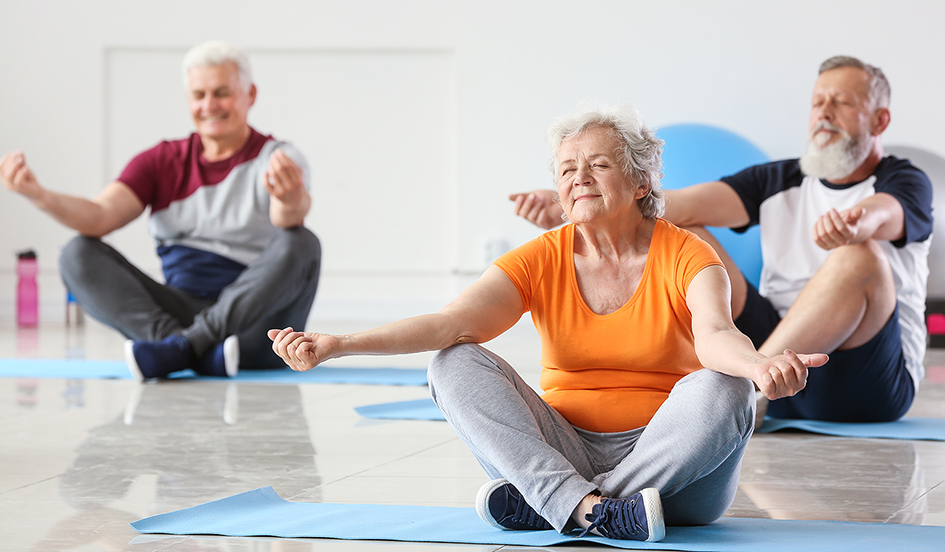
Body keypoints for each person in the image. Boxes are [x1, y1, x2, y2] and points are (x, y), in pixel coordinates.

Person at [269, 103, 827, 542]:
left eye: (599, 164)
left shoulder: (688, 254)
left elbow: (715, 337)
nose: (579, 177)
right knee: (455, 361)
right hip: (565, 448)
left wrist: (759, 366)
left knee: (724, 387)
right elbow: (450, 323)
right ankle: (595, 511)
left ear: (641, 184)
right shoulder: (541, 257)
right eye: (567, 168)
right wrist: (338, 343)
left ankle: (557, 506)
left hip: (675, 475)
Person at [510, 56, 933, 424]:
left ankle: (737, 403)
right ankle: (730, 384)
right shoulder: (778, 179)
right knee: (683, 232)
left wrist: (855, 224)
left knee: (858, 256)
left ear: (879, 120)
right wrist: (584, 202)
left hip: (863, 378)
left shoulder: (905, 180)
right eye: (818, 101)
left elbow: (885, 212)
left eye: (842, 102)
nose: (825, 112)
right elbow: (673, 203)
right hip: (772, 353)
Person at [0, 40, 321, 381]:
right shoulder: (161, 161)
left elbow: (289, 218)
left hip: (256, 330)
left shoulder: (279, 158)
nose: (209, 105)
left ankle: (180, 348)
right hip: (180, 310)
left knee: (302, 243)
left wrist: (289, 199)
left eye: (222, 92)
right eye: (199, 95)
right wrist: (39, 196)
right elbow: (98, 217)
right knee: (77, 253)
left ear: (250, 95)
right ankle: (190, 348)